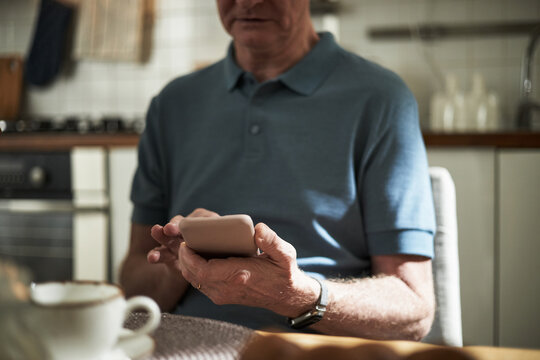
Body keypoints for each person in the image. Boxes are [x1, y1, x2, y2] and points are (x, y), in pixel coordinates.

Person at [120, 0, 436, 341]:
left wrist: (298, 296)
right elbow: (134, 288)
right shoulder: (172, 104)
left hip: (319, 350)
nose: (247, 2)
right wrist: (182, 265)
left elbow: (414, 309)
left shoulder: (381, 100)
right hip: (189, 347)